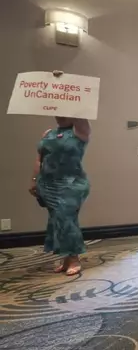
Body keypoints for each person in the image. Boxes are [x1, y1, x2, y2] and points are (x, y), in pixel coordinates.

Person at [29, 77, 91, 276]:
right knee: (57, 220)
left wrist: (64, 83)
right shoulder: (48, 133)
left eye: (65, 110)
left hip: (72, 183)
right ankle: (66, 259)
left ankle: (74, 259)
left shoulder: (80, 132)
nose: (61, 114)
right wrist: (34, 181)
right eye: (57, 109)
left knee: (66, 218)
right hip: (48, 184)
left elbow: (80, 112)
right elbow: (39, 158)